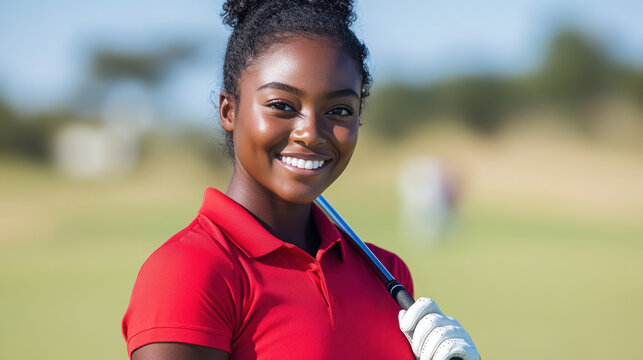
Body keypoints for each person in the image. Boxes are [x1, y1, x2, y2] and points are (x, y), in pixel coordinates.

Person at [121, 1, 479, 359]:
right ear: (228, 111)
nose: (311, 133)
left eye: (339, 111)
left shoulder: (385, 273)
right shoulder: (189, 272)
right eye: (282, 105)